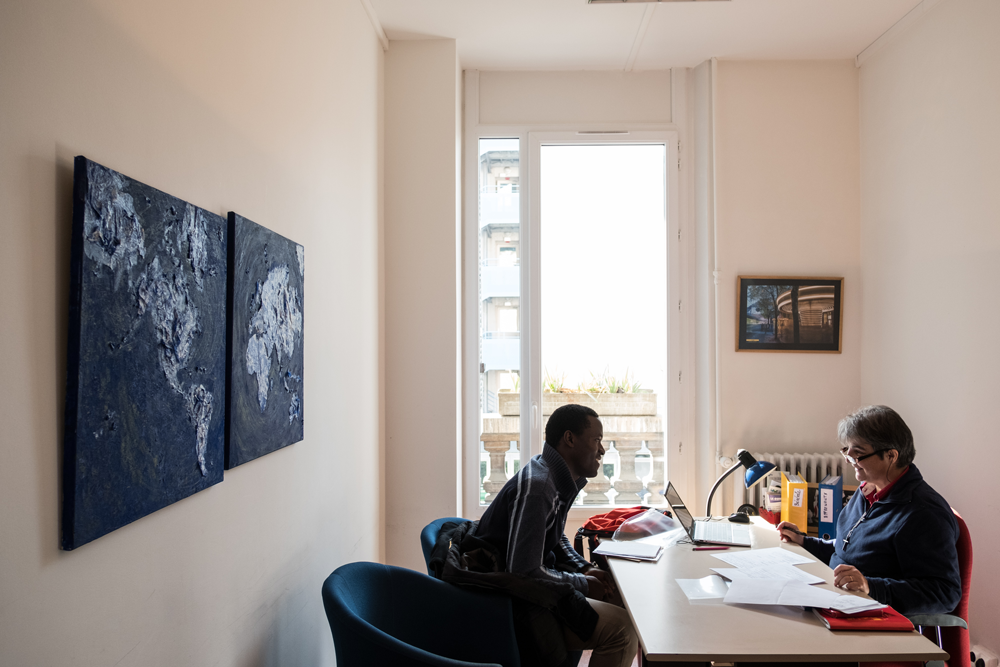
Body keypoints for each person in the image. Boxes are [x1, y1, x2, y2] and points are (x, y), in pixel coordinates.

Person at [476, 403, 639, 667]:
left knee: (622, 599)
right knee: (622, 631)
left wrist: (583, 568)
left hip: (527, 589)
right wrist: (583, 583)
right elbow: (524, 572)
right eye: (596, 439)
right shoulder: (540, 488)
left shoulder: (552, 475)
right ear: (569, 439)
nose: (602, 449)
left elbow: (554, 536)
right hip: (512, 603)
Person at [777, 405, 961, 616]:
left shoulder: (924, 514)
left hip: (873, 617)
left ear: (891, 456)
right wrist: (805, 542)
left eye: (859, 454)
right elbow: (853, 552)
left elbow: (944, 594)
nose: (851, 461)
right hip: (838, 600)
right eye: (848, 451)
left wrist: (870, 587)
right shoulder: (869, 490)